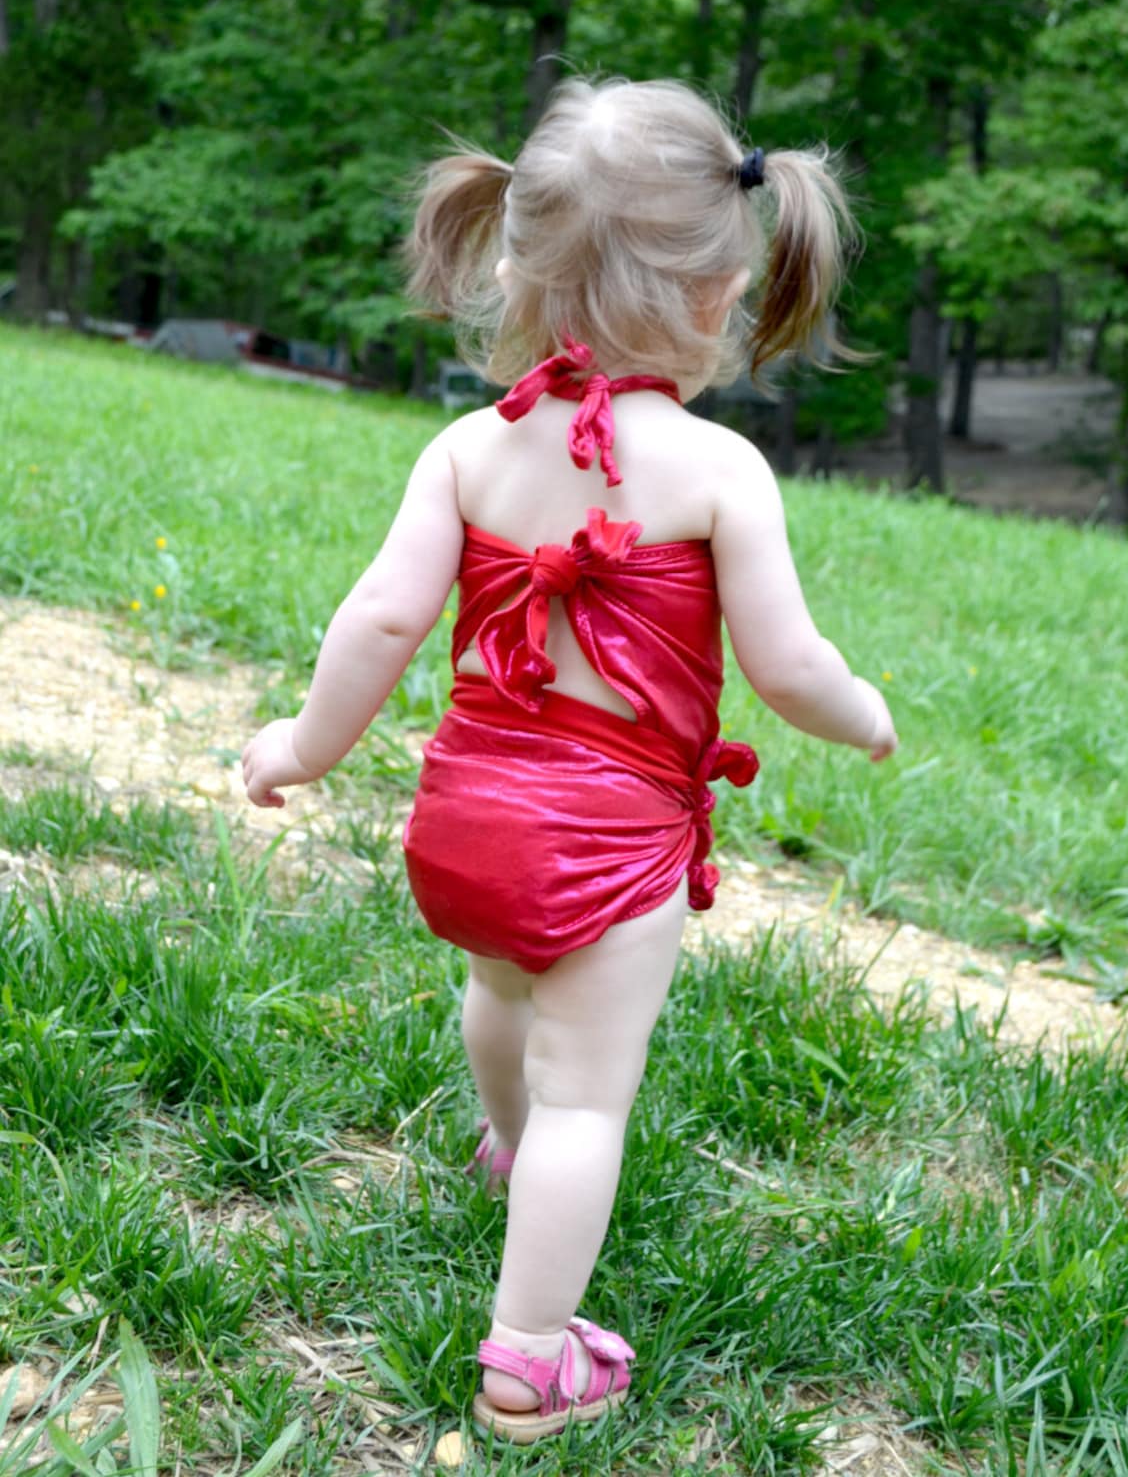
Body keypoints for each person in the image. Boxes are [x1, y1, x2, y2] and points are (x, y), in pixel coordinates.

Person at [242, 77, 898, 1444]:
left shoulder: (468, 450)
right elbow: (789, 668)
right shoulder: (717, 471)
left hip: (463, 826)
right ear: (719, 297)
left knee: (499, 993)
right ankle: (531, 1357)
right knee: (588, 1096)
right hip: (607, 849)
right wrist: (863, 713)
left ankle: (505, 1149)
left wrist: (302, 745)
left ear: (515, 266)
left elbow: (381, 619)